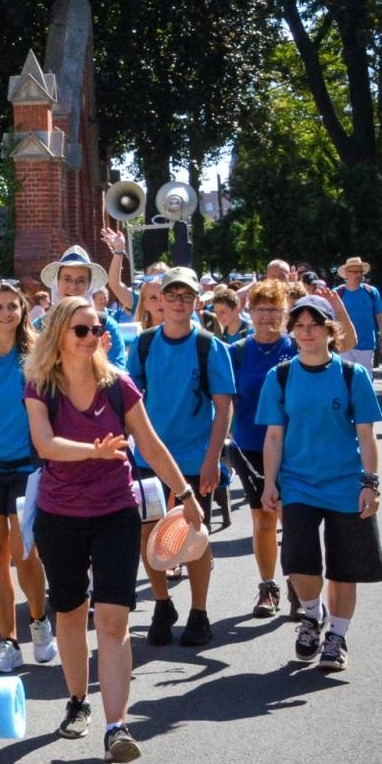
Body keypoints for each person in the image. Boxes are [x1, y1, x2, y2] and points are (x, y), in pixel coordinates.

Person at [23, 297, 202, 762]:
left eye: (96, 328)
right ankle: (78, 702)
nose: (91, 336)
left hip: (115, 512)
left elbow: (151, 444)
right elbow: (45, 444)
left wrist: (185, 494)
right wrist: (92, 452)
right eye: (80, 329)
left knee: (113, 618)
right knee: (69, 612)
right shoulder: (41, 385)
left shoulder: (118, 385)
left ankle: (117, 726)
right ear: (59, 334)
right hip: (59, 515)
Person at [260, 296, 382, 672]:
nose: (306, 332)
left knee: (344, 566)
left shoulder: (352, 376)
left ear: (331, 331)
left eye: (314, 325)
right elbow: (274, 437)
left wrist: (371, 483)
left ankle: (338, 637)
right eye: (298, 326)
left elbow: (366, 435)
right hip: (298, 484)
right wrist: (270, 482)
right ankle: (312, 618)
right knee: (299, 559)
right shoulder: (280, 376)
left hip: (346, 484)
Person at [226, 281, 357, 618]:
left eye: (275, 309)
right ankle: (268, 587)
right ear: (250, 312)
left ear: (285, 314)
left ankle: (299, 587)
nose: (267, 315)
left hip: (295, 447)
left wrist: (337, 308)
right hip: (252, 447)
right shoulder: (236, 351)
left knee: (295, 522)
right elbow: (223, 400)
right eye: (261, 308)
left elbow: (348, 344)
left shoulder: (298, 345)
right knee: (263, 520)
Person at [124, 267, 236, 646]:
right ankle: (161, 603)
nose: (176, 302)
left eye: (185, 296)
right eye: (170, 295)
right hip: (148, 460)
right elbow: (127, 399)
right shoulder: (143, 345)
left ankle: (199, 611)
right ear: (158, 301)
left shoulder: (209, 346)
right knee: (147, 532)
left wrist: (212, 458)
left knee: (194, 536)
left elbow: (223, 408)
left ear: (196, 301)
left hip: (194, 459)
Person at [0, 280, 52, 671]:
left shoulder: (35, 354)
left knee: (24, 553)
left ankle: (38, 621)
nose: (4, 313)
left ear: (22, 311)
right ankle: (8, 640)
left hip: (25, 467)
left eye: (11, 307)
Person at [40, 245, 129, 369]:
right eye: (67, 279)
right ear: (57, 282)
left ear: (89, 285)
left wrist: (97, 360)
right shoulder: (40, 326)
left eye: (81, 280)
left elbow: (118, 376)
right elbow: (30, 376)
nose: (73, 286)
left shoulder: (106, 325)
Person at [333, 257, 382, 370]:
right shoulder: (337, 293)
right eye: (355, 272)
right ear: (346, 274)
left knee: (364, 381)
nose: (359, 275)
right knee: (346, 382)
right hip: (344, 345)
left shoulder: (371, 292)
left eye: (361, 272)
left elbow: (381, 316)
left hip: (366, 345)